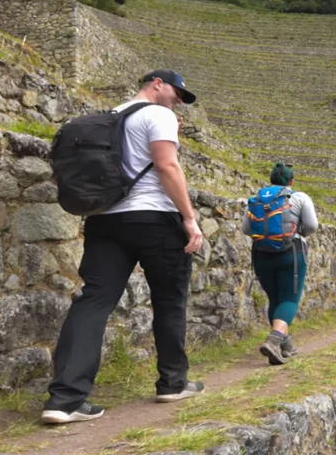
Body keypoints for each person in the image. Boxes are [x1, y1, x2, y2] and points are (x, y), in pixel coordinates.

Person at [41, 69, 206, 425]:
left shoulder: (112, 116)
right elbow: (167, 165)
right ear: (156, 84)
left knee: (93, 301)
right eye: (177, 91)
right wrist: (189, 218)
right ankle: (173, 383)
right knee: (169, 301)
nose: (179, 99)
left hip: (105, 220)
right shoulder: (158, 114)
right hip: (155, 220)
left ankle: (64, 400)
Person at [241, 162, 319, 365]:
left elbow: (246, 229)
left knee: (275, 299)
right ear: (291, 181)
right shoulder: (299, 197)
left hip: (261, 254)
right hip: (291, 252)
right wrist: (297, 233)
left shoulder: (257, 198)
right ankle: (274, 340)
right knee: (289, 299)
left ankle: (286, 345)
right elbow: (311, 225)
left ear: (271, 180)